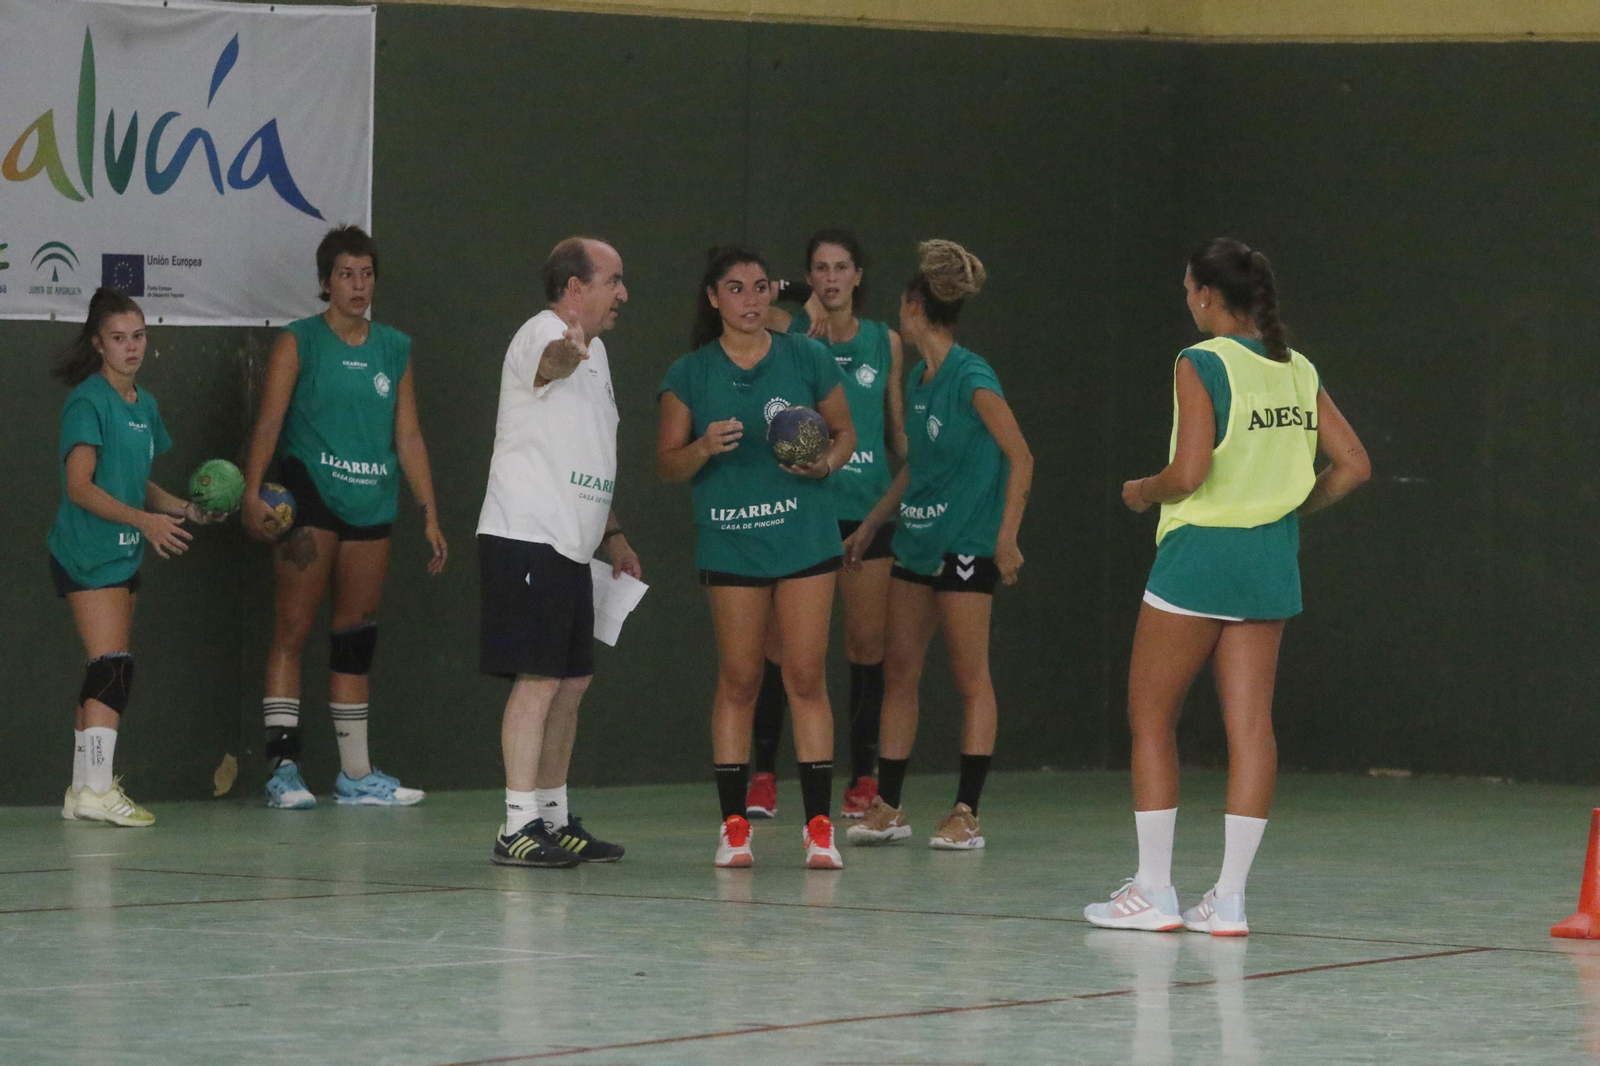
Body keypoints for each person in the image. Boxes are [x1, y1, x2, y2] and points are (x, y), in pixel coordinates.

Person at [1085, 238, 1370, 935]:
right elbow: (1354, 465)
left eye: (1189, 290)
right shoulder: (1296, 368)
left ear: (1209, 298)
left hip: (1199, 560)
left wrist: (1141, 491)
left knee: (1151, 720)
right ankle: (1230, 900)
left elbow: (1187, 475)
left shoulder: (1200, 361)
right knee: (1252, 730)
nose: (1188, 301)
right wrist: (1283, 505)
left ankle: (1154, 891)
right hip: (1270, 562)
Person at [657, 245, 856, 869]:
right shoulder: (689, 374)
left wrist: (824, 461)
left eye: (760, 287)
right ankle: (735, 825)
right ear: (713, 298)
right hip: (732, 540)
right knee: (741, 678)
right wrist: (702, 448)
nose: (750, 299)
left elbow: (845, 434)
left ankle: (820, 828)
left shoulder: (807, 356)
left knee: (805, 676)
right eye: (736, 288)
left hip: (804, 539)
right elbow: (666, 464)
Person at [241, 225, 447, 809]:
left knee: (356, 633)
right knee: (293, 629)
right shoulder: (298, 341)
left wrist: (429, 513)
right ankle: (283, 769)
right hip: (310, 497)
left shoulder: (394, 348)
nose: (357, 285)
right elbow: (269, 421)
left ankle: (355, 776)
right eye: (345, 275)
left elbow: (407, 434)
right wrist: (252, 492)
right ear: (325, 282)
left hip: (373, 502)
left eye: (366, 274)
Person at [842, 240, 1033, 852]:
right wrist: (873, 522)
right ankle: (889, 806)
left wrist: (1005, 538)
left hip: (967, 546)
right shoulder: (919, 379)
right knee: (900, 670)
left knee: (969, 677)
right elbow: (915, 468)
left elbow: (1022, 457)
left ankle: (966, 812)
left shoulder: (972, 378)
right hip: (916, 545)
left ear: (913, 306)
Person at [479, 237, 639, 868]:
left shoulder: (599, 356)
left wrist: (614, 534)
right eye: (614, 281)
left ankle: (552, 818)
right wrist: (565, 354)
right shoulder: (542, 333)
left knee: (572, 682)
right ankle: (516, 826)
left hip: (574, 546)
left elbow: (588, 454)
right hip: (526, 535)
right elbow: (548, 364)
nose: (623, 294)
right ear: (576, 288)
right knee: (539, 681)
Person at [744, 229, 907, 820]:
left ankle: (862, 778)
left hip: (867, 509)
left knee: (867, 647)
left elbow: (895, 431)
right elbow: (766, 303)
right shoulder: (788, 331)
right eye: (820, 268)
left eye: (842, 268)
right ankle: (763, 775)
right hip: (803, 510)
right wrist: (795, 294)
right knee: (780, 647)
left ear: (858, 275)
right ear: (808, 276)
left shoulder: (885, 341)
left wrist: (912, 483)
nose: (832, 278)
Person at [50, 289, 224, 827]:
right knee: (111, 668)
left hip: (122, 553)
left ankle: (83, 790)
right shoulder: (88, 400)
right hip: (88, 552)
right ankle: (99, 791)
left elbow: (136, 480)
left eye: (139, 336)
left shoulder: (143, 404)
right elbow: (81, 487)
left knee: (104, 667)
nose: (132, 348)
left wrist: (186, 511)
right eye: (119, 338)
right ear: (99, 343)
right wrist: (146, 524)